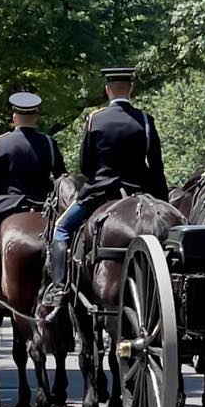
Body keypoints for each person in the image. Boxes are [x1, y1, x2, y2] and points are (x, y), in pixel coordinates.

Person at [42, 68, 168, 314]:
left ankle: (59, 287)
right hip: (140, 191)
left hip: (101, 191)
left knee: (61, 228)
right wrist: (162, 199)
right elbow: (156, 164)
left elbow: (85, 164)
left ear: (108, 89)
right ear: (130, 89)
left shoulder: (94, 119)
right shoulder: (144, 119)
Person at [0, 92, 66, 310]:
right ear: (36, 116)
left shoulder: (1, 142)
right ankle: (61, 284)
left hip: (5, 207)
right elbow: (62, 176)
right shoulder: (49, 143)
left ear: (14, 116)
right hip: (42, 207)